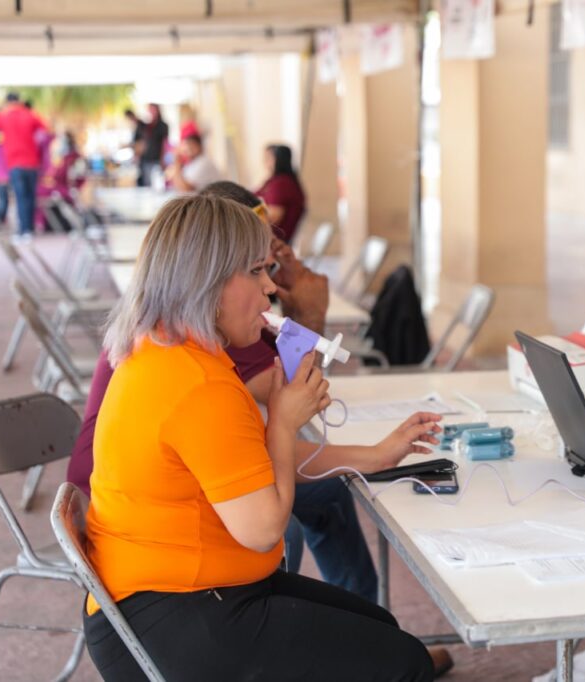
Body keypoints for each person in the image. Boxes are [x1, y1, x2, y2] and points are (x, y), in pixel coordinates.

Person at [82, 194, 435, 681]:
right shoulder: (198, 384)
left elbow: (251, 467)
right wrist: (284, 422)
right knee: (404, 663)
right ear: (206, 280)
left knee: (380, 627)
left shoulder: (171, 351)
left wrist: (375, 455)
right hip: (166, 616)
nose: (270, 287)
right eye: (254, 271)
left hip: (163, 596)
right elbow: (265, 526)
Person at [0, 92, 47, 241]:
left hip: (15, 163)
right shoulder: (30, 114)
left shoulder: (3, 116)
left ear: (8, 102)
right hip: (32, 163)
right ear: (19, 100)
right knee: (30, 197)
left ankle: (24, 231)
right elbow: (45, 131)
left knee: (21, 197)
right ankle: (30, 228)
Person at [256, 143, 307, 243]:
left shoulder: (282, 184)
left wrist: (248, 215)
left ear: (277, 159)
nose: (264, 161)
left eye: (268, 158)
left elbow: (273, 217)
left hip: (274, 242)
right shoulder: (275, 181)